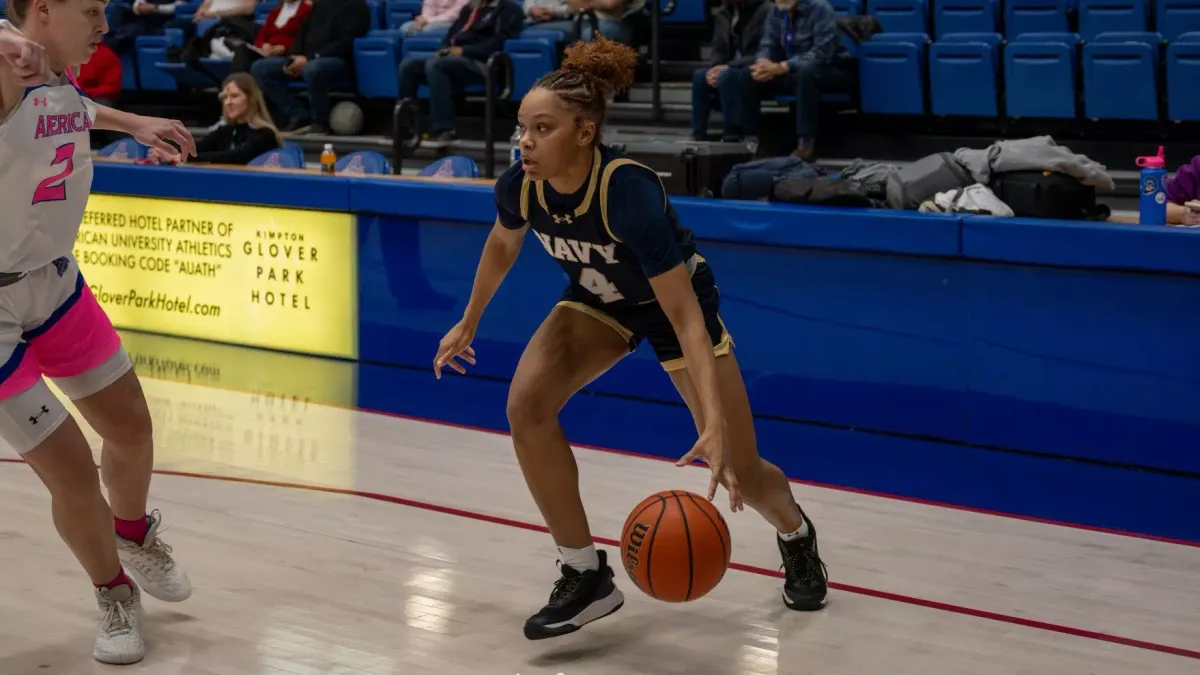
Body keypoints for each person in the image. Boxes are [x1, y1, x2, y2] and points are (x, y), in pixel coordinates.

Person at [433, 37, 829, 640]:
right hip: (598, 301)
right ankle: (583, 571)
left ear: (584, 132)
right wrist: (469, 321)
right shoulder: (520, 184)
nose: (526, 141)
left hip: (674, 309)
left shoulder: (628, 193)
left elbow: (685, 316)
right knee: (526, 406)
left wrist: (714, 422)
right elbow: (502, 243)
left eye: (543, 128)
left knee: (741, 471)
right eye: (523, 127)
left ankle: (796, 535)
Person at [0, 1, 198, 665]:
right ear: (44, 11)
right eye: (91, 10)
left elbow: (70, 108)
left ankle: (134, 532)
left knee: (132, 428)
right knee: (73, 472)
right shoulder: (8, 68)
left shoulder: (55, 73)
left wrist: (133, 121)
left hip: (55, 282)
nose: (105, 25)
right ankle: (113, 591)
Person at [740, 0, 854, 159]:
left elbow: (821, 53)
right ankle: (749, 143)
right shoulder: (775, 11)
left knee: (806, 73)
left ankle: (805, 145)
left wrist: (783, 66)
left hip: (831, 69)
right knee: (749, 75)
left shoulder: (821, 9)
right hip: (792, 69)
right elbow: (768, 44)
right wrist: (763, 64)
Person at [251, 0, 370, 134]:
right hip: (306, 58)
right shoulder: (318, 5)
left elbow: (347, 43)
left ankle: (319, 121)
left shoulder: (357, 6)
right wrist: (291, 58)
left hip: (338, 60)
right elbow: (301, 33)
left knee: (313, 68)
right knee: (259, 68)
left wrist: (312, 58)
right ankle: (298, 113)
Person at [148, 73, 282, 165]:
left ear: (251, 99)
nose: (228, 102)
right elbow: (197, 148)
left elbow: (235, 157)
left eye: (234, 96)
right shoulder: (225, 131)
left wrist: (179, 158)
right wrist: (165, 150)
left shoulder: (265, 134)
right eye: (225, 97)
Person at [690, 0, 769, 141]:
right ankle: (698, 135)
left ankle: (731, 135)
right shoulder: (724, 12)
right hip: (729, 66)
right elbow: (718, 46)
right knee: (700, 77)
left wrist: (728, 66)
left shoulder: (766, 10)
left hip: (755, 66)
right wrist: (714, 68)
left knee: (728, 76)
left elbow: (763, 52)